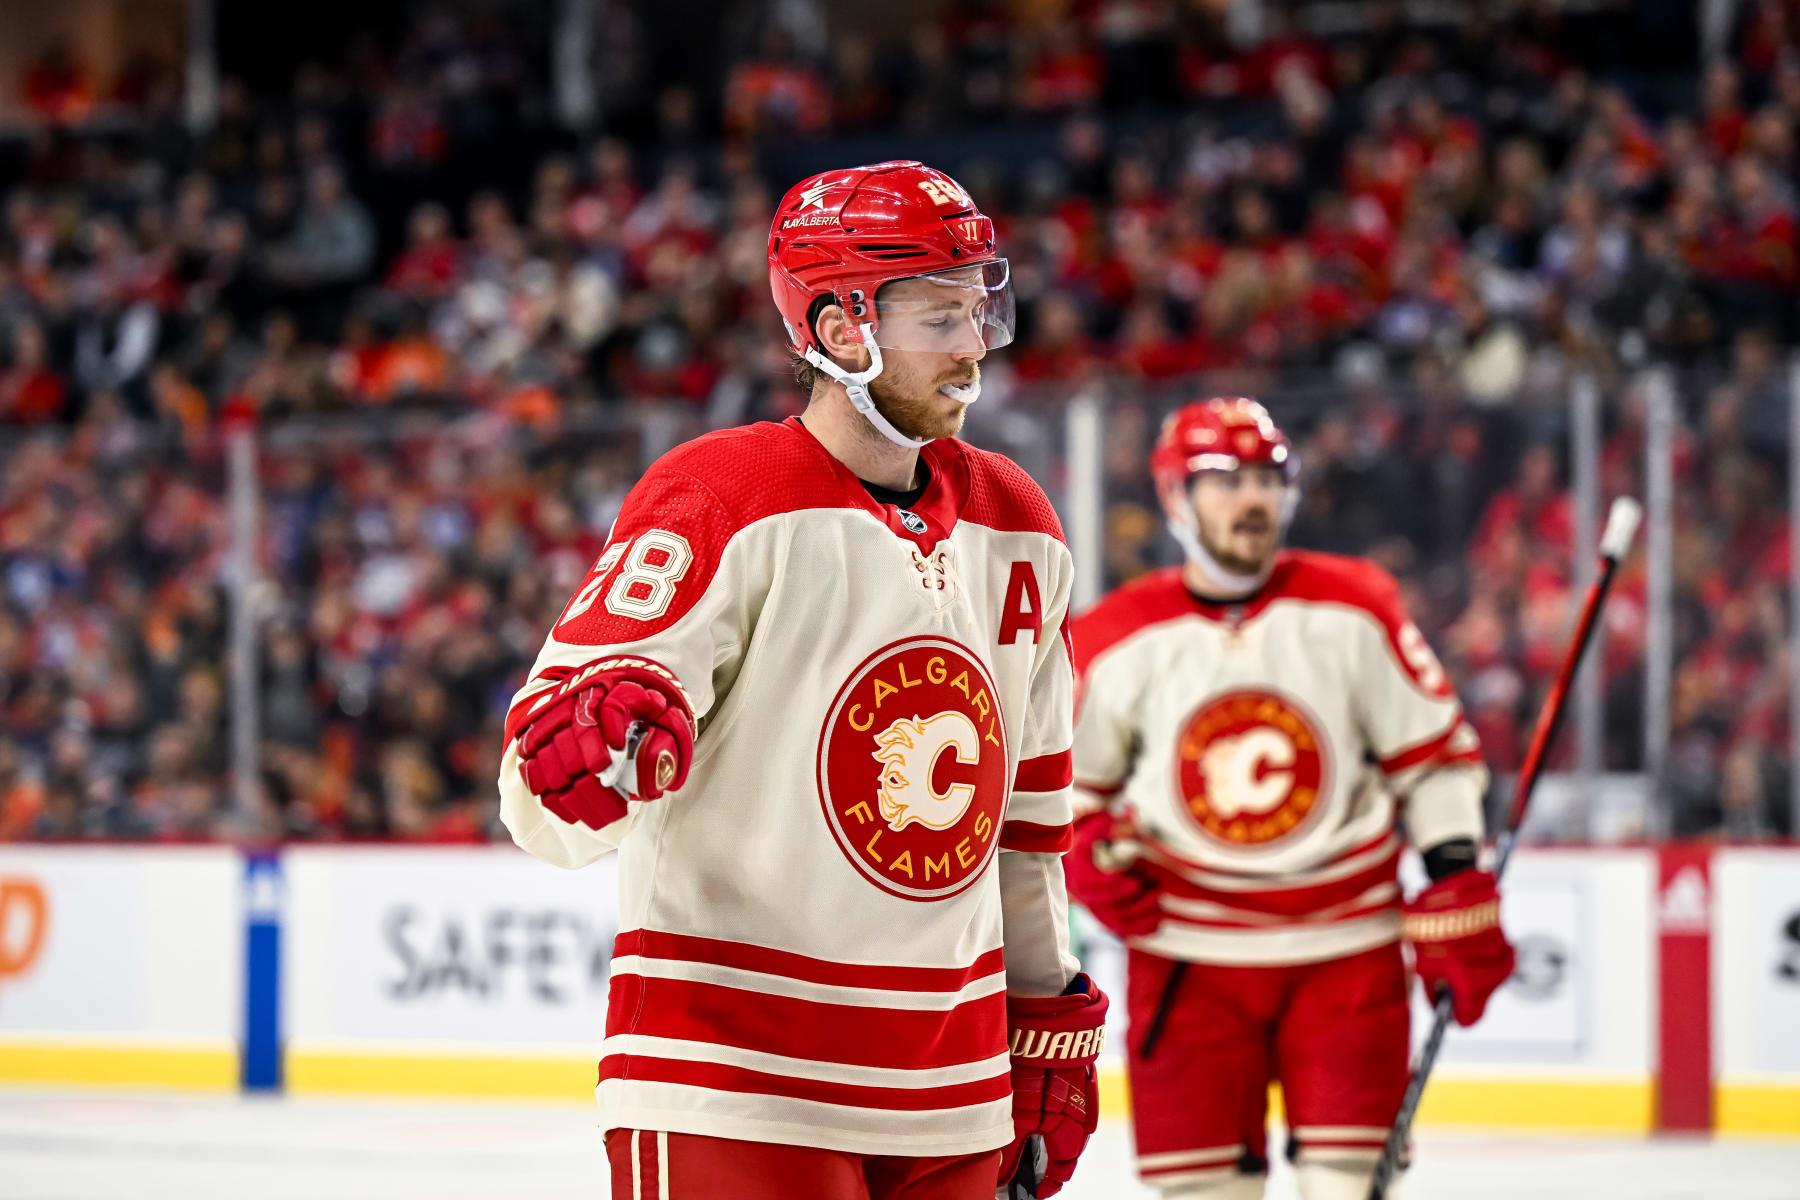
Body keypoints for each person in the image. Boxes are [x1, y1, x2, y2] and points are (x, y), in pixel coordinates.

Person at [498, 161, 1107, 1200]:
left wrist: (1047, 1023)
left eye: (979, 310)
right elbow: (544, 798)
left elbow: (1027, 829)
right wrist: (590, 748)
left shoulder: (1022, 523)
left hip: (951, 1096)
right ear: (840, 329)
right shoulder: (721, 497)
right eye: (939, 317)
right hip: (737, 1082)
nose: (973, 349)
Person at [1066, 397, 1516, 1200]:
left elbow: (1435, 761)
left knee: (1346, 1187)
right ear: (1175, 497)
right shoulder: (1116, 634)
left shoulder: (1356, 606)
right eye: (1226, 480)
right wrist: (1080, 851)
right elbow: (1067, 789)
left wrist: (1452, 874)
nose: (1253, 499)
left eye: (1269, 479)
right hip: (1187, 957)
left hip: (1347, 951)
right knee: (1205, 1191)